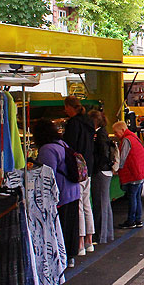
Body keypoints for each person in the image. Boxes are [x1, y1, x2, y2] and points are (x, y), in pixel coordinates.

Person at [32, 119, 80, 268]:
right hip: (73, 190)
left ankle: (61, 258)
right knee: (71, 225)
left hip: (62, 193)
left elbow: (47, 173)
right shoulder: (62, 144)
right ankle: (70, 256)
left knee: (61, 226)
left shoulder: (47, 149)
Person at [63, 96, 95, 255]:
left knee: (78, 206)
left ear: (70, 107)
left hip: (76, 169)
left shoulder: (73, 124)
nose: (64, 110)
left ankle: (80, 243)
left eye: (65, 107)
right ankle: (90, 241)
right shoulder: (88, 122)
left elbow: (68, 148)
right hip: (88, 167)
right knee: (86, 204)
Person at [113, 120, 144, 229]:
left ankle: (131, 221)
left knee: (132, 197)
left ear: (122, 130)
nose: (115, 135)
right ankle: (138, 219)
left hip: (135, 174)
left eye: (116, 132)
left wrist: (117, 169)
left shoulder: (126, 140)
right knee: (137, 197)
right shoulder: (134, 137)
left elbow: (123, 157)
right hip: (141, 172)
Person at [88, 110, 116, 246]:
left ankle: (100, 235)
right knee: (105, 204)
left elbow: (102, 154)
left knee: (100, 204)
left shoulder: (99, 135)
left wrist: (96, 167)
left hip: (101, 171)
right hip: (106, 172)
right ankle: (107, 233)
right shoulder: (103, 133)